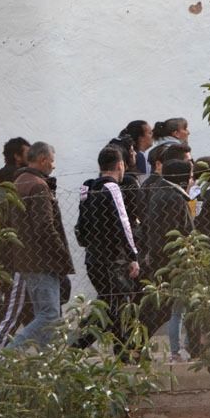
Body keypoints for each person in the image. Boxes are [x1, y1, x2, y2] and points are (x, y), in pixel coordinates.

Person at [5, 142, 74, 349]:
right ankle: (4, 357)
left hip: (26, 260)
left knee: (43, 315)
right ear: (43, 160)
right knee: (49, 314)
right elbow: (45, 227)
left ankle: (47, 366)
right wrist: (62, 255)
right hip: (42, 261)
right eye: (52, 161)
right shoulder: (38, 186)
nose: (53, 166)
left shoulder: (19, 181)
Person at [76, 146, 141, 351]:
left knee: (111, 305)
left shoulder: (89, 189)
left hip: (94, 259)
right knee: (116, 308)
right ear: (120, 165)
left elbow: (82, 228)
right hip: (113, 260)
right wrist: (133, 255)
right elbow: (124, 224)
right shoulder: (112, 189)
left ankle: (121, 352)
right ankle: (77, 346)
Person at [143, 158, 195, 362]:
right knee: (178, 310)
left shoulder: (159, 193)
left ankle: (178, 349)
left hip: (162, 259)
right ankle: (176, 351)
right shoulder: (174, 197)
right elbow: (179, 232)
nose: (191, 179)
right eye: (189, 175)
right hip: (176, 262)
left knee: (176, 308)